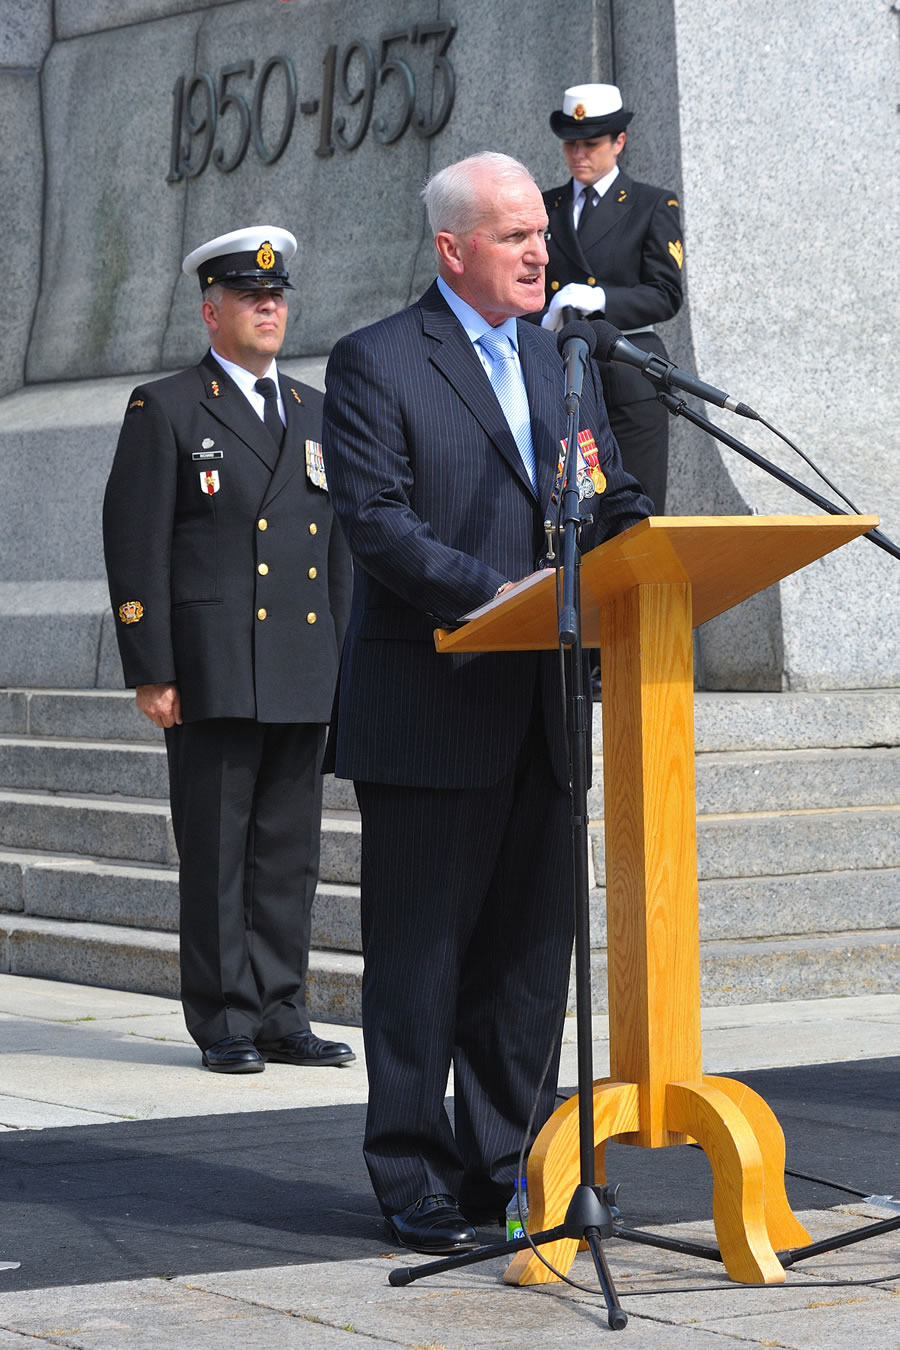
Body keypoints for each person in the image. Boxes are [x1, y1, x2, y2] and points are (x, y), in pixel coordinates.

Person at [321, 153, 652, 1254]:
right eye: (514, 237)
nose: (538, 252)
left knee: (526, 964)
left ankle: (510, 1169)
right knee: (421, 961)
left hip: (546, 708)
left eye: (540, 235)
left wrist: (649, 550)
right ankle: (412, 1175)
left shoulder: (563, 359)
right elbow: (377, 520)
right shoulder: (377, 361)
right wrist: (499, 596)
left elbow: (605, 490)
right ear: (452, 248)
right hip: (433, 702)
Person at [103, 226, 354, 1074]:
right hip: (213, 668)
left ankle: (282, 1010)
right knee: (217, 854)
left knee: (289, 854)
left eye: (276, 297)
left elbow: (336, 550)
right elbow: (135, 542)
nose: (269, 308)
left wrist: (343, 664)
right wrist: (152, 668)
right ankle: (223, 1020)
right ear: (212, 313)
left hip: (300, 663)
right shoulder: (168, 406)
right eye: (251, 297)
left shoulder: (315, 411)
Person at [539, 82, 685, 515]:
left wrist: (600, 298)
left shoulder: (651, 204)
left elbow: (665, 294)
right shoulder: (545, 206)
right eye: (571, 144)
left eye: (591, 144)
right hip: (562, 370)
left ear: (619, 142)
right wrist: (542, 318)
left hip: (628, 368)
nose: (578, 154)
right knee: (566, 511)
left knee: (635, 512)